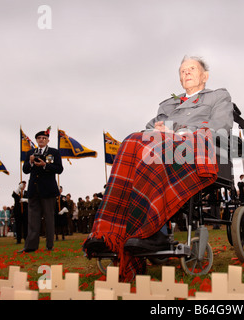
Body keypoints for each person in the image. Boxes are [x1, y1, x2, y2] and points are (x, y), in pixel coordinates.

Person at [84, 55, 234, 281]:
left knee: (157, 151)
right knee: (131, 141)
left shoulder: (218, 96)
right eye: (182, 71)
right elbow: (149, 130)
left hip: (197, 147)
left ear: (205, 75)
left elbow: (220, 126)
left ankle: (154, 232)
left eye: (192, 69)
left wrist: (179, 132)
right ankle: (108, 232)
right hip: (163, 147)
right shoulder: (168, 104)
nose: (186, 73)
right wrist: (159, 130)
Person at [20, 127, 63, 253]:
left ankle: (49, 245)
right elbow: (25, 170)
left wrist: (45, 165)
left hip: (48, 190)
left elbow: (59, 169)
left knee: (49, 218)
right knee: (33, 219)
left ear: (47, 140)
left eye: (44, 138)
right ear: (36, 140)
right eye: (39, 138)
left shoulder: (54, 152)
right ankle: (30, 246)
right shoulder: (30, 153)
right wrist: (31, 162)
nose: (41, 140)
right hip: (34, 189)